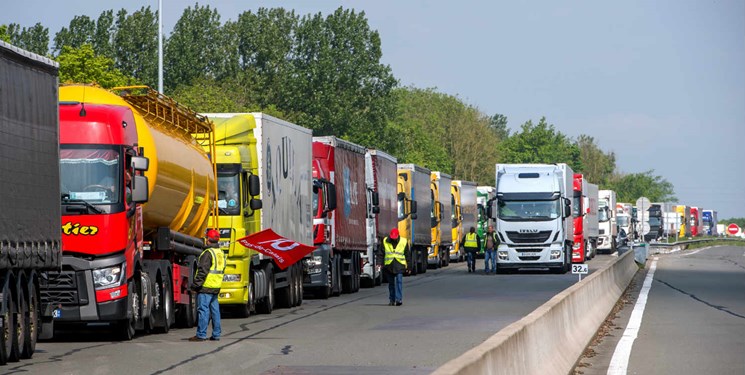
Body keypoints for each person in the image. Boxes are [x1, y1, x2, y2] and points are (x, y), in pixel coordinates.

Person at [189, 229, 226, 342]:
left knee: (203, 310)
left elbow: (202, 272)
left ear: (208, 240)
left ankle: (201, 334)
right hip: (216, 286)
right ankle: (216, 334)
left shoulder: (208, 253)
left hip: (206, 286)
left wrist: (195, 286)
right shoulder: (220, 253)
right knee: (215, 311)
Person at [381, 228, 408, 306]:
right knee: (391, 284)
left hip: (399, 265)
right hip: (389, 265)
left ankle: (398, 299)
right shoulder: (385, 241)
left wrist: (408, 266)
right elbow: (381, 253)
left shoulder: (403, 241)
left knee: (399, 282)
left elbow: (407, 255)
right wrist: (379, 263)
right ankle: (392, 300)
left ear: (398, 236)